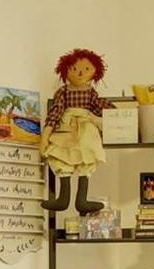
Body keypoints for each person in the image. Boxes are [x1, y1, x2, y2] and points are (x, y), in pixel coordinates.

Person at [43, 47, 108, 215]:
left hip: (86, 127)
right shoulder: (63, 93)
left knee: (86, 158)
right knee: (63, 158)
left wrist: (118, 113)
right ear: (66, 71)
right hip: (67, 125)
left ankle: (81, 200)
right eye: (75, 69)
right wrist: (45, 137)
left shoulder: (92, 94)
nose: (80, 73)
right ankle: (63, 199)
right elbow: (55, 112)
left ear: (94, 72)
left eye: (86, 69)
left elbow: (100, 108)